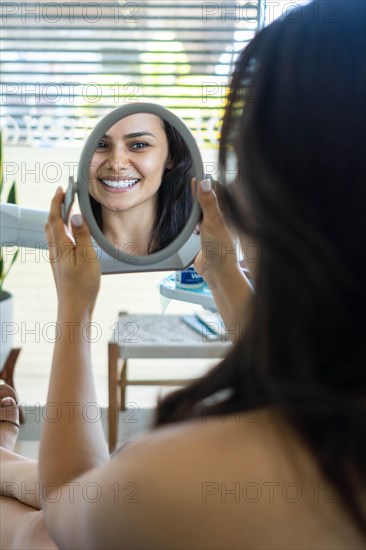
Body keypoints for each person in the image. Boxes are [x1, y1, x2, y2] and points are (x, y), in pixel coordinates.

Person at [1, 0, 365, 547]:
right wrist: (224, 273)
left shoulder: (183, 477)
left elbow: (68, 506)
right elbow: (293, 373)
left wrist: (74, 308)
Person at [89, 112, 194, 255]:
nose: (116, 164)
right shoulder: (65, 248)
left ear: (171, 157)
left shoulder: (198, 251)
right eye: (100, 144)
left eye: (139, 145)